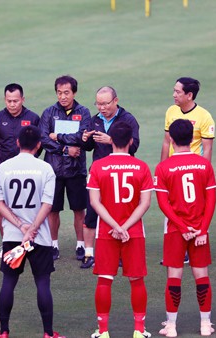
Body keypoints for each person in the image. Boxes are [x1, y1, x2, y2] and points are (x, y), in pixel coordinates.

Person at [0, 125, 65, 338]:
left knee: (8, 281)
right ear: (39, 145)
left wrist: (20, 226)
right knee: (42, 282)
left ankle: (4, 332)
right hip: (39, 237)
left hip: (12, 236)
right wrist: (32, 229)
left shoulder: (3, 168)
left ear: (17, 143)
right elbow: (47, 204)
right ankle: (48, 333)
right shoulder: (45, 169)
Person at [87, 122, 152, 338]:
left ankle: (103, 331)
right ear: (131, 141)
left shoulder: (98, 166)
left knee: (105, 279)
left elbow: (95, 202)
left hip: (106, 231)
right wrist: (125, 227)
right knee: (136, 279)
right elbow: (145, 204)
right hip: (133, 232)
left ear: (111, 140)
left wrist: (115, 226)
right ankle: (139, 330)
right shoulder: (141, 167)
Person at [155, 119, 216, 337]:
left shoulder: (163, 167)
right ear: (192, 138)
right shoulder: (204, 165)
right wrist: (202, 229)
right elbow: (211, 200)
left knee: (174, 275)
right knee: (201, 275)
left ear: (171, 139)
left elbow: (164, 204)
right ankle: (205, 324)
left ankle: (171, 326)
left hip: (175, 230)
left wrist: (182, 227)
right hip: (200, 229)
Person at [79, 86, 140, 269]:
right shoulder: (95, 119)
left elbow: (134, 146)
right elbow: (89, 147)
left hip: (121, 174)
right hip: (98, 173)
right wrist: (85, 139)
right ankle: (89, 254)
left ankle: (121, 253)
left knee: (121, 213)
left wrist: (111, 140)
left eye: (105, 103)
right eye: (98, 104)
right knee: (91, 213)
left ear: (115, 101)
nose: (101, 108)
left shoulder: (128, 120)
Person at [39, 75, 91, 260]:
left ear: (74, 92)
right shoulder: (48, 113)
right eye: (59, 93)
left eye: (66, 93)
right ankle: (53, 245)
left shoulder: (84, 112)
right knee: (53, 210)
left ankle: (80, 245)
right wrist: (65, 149)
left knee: (79, 209)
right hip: (53, 171)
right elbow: (44, 139)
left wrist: (58, 136)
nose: (62, 97)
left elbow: (82, 136)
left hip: (76, 170)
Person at [0, 83, 40, 259]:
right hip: (5, 172)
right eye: (9, 101)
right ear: (5, 100)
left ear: (22, 99)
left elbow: (38, 145)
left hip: (29, 173)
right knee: (4, 208)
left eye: (16, 101)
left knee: (30, 208)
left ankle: (31, 243)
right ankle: (6, 245)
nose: (12, 104)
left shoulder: (33, 117)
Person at [160, 77, 215, 162]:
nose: (174, 95)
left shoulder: (205, 117)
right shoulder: (171, 111)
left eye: (178, 92)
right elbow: (167, 142)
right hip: (173, 167)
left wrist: (204, 171)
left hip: (194, 168)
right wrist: (162, 168)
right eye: (174, 91)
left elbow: (207, 149)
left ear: (189, 95)